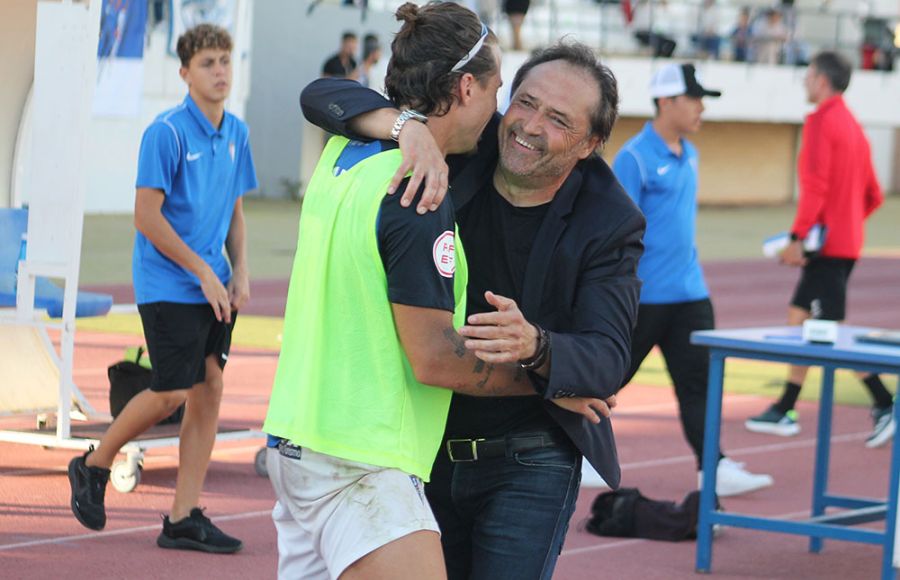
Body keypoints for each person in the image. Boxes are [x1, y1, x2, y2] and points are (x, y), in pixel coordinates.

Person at [265, 5, 613, 579]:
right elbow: (434, 357)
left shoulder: (344, 154)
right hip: (360, 460)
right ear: (468, 86)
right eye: (501, 89)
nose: (503, 111)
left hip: (297, 439)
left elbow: (323, 94)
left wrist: (406, 127)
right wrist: (547, 385)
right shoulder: (419, 192)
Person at [67, 23, 257, 553]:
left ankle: (182, 516)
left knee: (210, 388)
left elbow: (236, 213)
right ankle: (93, 465)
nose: (219, 71)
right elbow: (146, 217)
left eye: (224, 61)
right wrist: (201, 269)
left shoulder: (238, 132)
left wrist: (239, 269)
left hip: (214, 287)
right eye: (207, 64)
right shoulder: (166, 132)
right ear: (184, 73)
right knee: (173, 389)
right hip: (168, 284)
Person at [613, 63, 773, 498]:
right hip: (644, 299)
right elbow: (614, 230)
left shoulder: (691, 154)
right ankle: (575, 452)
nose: (702, 107)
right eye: (695, 98)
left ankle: (713, 466)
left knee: (698, 384)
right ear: (667, 102)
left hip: (690, 294)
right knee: (608, 378)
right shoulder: (634, 157)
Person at [745, 51, 888, 446]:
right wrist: (846, 224)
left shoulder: (823, 122)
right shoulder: (856, 127)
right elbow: (874, 194)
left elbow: (816, 186)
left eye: (808, 76)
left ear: (822, 81)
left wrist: (797, 238)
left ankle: (885, 400)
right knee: (801, 317)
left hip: (828, 248)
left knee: (830, 332)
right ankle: (785, 407)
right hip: (842, 244)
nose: (805, 83)